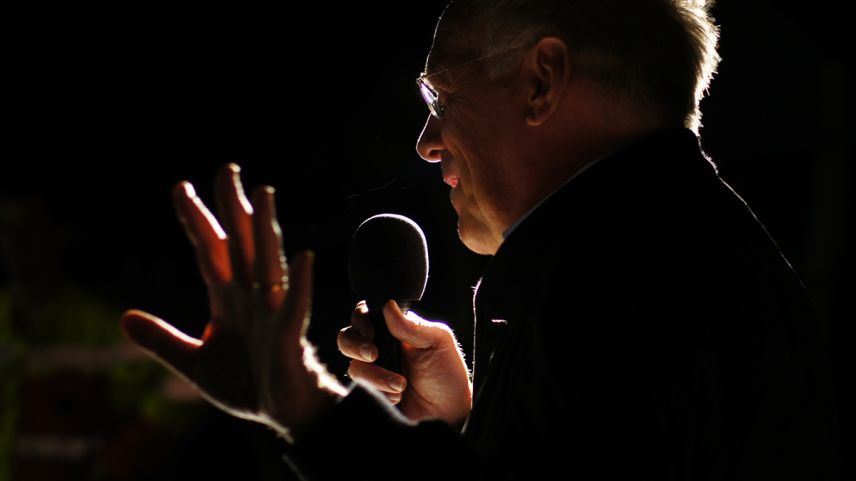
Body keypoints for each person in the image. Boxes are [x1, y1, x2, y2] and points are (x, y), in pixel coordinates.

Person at [120, 0, 840, 478]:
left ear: (541, 83)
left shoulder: (629, 283)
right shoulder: (668, 249)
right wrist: (469, 428)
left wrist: (302, 402)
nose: (427, 142)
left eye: (441, 94)